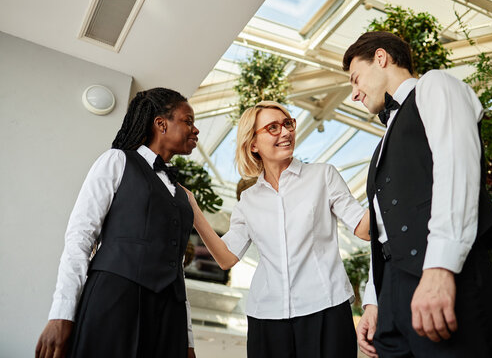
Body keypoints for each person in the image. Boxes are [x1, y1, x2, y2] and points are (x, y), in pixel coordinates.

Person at [342, 31, 492, 358]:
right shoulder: (382, 144)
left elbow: (456, 170)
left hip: (443, 275)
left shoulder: (435, 85)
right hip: (393, 294)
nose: (354, 93)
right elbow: (385, 228)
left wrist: (440, 269)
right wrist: (375, 300)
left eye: (355, 78)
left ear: (381, 58)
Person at [181, 101, 370, 358]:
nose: (285, 132)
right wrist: (193, 210)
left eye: (288, 124)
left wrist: (384, 186)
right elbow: (226, 258)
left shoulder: (323, 176)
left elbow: (363, 229)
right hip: (267, 318)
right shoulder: (248, 200)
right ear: (253, 144)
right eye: (272, 127)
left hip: (326, 309)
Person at [35, 88, 199, 358]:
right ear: (161, 123)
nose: (196, 131)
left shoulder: (181, 194)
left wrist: (188, 338)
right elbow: (80, 237)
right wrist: (62, 314)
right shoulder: (117, 160)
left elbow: (177, 267)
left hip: (169, 314)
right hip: (116, 300)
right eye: (188, 121)